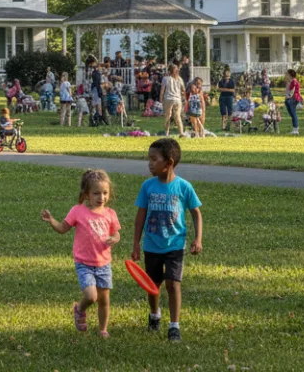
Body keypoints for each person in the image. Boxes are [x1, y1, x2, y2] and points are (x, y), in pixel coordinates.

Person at [132, 138, 203, 343]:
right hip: (152, 245)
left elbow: (196, 214)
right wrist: (136, 243)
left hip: (175, 245)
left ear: (169, 162)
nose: (150, 163)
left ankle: (174, 326)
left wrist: (197, 239)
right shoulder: (148, 186)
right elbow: (140, 217)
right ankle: (154, 314)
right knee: (153, 285)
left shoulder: (184, 187)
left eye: (154, 159)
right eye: (149, 159)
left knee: (173, 284)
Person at [41, 169, 121, 338]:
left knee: (104, 299)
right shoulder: (78, 211)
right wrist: (52, 221)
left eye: (105, 193)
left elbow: (117, 233)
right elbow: (63, 228)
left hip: (104, 263)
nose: (101, 197)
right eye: (96, 193)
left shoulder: (110, 214)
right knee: (92, 296)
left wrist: (115, 238)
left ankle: (102, 329)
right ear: (86, 194)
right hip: (84, 263)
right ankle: (79, 309)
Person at [160, 64, 185, 137]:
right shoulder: (180, 79)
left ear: (169, 71)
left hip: (168, 99)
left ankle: (167, 133)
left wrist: (161, 99)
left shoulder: (165, 79)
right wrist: (182, 96)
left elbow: (162, 91)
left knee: (167, 116)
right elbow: (183, 90)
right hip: (177, 99)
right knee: (177, 116)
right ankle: (181, 133)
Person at [284, 69, 303, 135]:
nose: (285, 75)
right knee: (292, 114)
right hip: (291, 98)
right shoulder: (290, 81)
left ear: (290, 75)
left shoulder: (294, 81)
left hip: (293, 99)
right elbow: (288, 90)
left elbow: (293, 90)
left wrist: (289, 96)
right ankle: (295, 128)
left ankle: (295, 129)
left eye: (286, 74)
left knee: (293, 114)